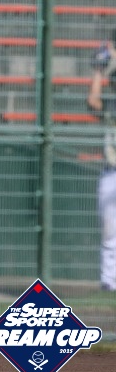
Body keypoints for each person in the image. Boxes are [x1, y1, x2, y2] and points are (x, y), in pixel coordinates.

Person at [87, 33, 116, 292]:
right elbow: (93, 102)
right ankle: (109, 282)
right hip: (112, 171)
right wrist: (98, 71)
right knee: (110, 230)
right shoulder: (111, 105)